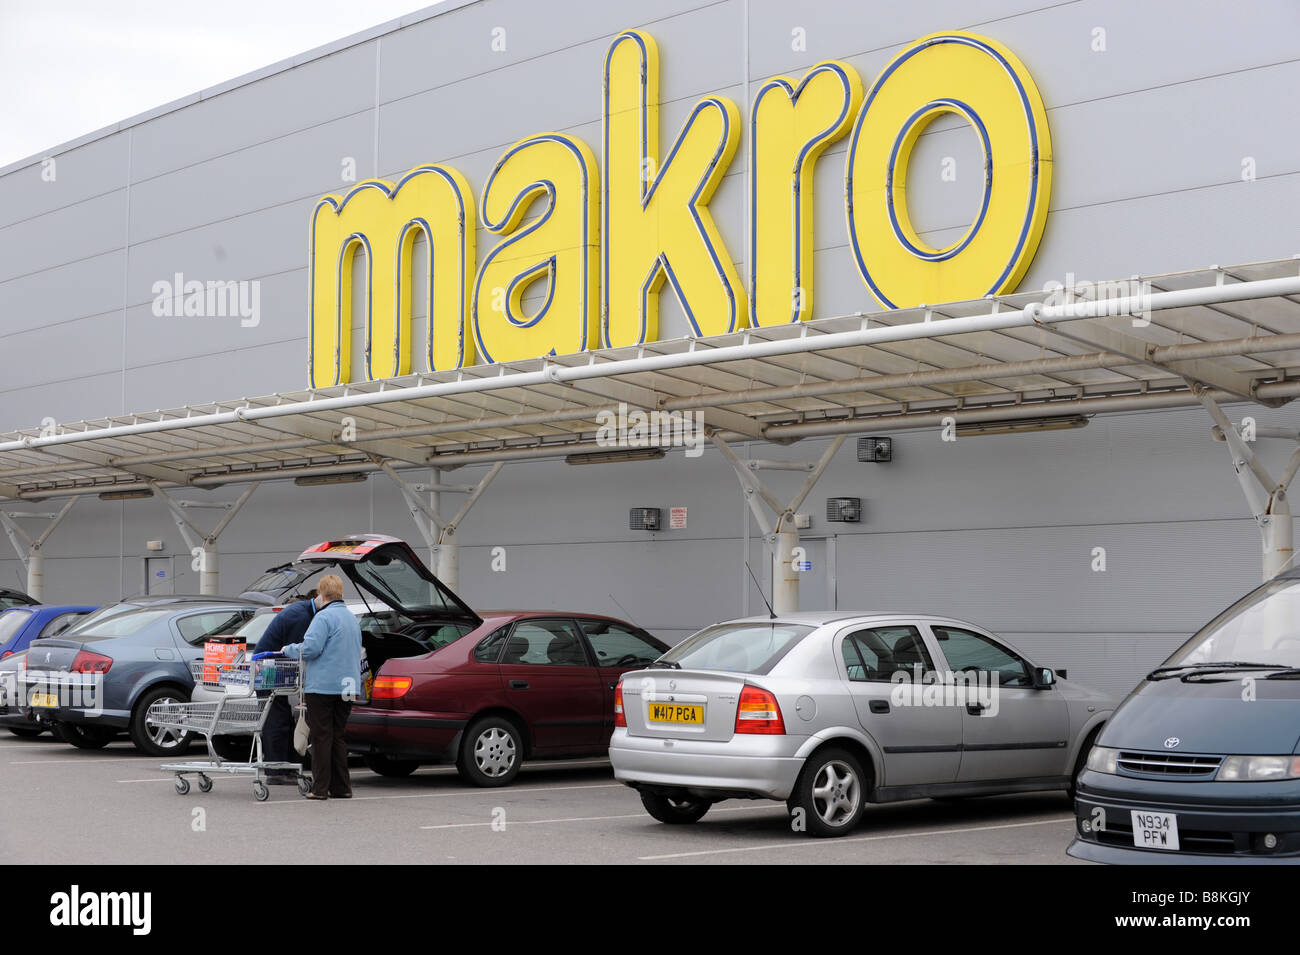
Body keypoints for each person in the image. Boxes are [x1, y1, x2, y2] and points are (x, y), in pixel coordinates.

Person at [281, 575, 363, 800]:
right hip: (348, 685)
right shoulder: (351, 618)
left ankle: (320, 788)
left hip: (324, 686)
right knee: (338, 736)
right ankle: (342, 787)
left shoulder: (323, 617)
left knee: (321, 736)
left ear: (321, 595)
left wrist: (288, 649)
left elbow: (310, 650)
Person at [251, 590, 317, 784]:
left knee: (281, 716)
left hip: (270, 667)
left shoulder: (301, 611)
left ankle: (284, 767)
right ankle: (275, 771)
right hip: (268, 669)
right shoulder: (302, 617)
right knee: (275, 718)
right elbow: (298, 650)